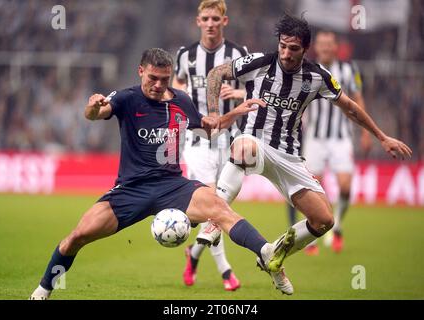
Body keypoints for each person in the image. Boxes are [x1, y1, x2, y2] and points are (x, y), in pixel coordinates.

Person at [29, 48, 294, 300]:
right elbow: (94, 115)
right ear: (140, 71)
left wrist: (234, 113)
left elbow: (208, 130)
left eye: (164, 79)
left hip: (173, 186)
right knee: (77, 237)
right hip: (131, 189)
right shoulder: (126, 98)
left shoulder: (181, 101)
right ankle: (43, 289)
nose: (158, 84)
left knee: (221, 209)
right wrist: (93, 106)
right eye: (153, 78)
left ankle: (267, 254)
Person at [198, 13, 412, 293]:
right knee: (243, 146)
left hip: (289, 155)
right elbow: (216, 74)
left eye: (294, 48)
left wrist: (381, 136)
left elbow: (349, 107)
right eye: (283, 46)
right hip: (255, 141)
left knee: (324, 220)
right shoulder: (259, 62)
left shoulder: (318, 77)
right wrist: (214, 113)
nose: (286, 54)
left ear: (305, 49)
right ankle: (215, 220)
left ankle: (274, 254)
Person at [172, 0, 247, 291]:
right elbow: (175, 85)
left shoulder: (238, 54)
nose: (211, 23)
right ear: (198, 21)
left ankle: (193, 253)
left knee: (218, 207)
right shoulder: (185, 55)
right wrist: (185, 91)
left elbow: (255, 88)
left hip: (230, 139)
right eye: (206, 18)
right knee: (214, 204)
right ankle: (226, 271)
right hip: (198, 139)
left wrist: (238, 91)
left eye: (216, 18)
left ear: (224, 21)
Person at [302, 30, 372, 255]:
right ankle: (311, 237)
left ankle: (338, 225)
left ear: (335, 47)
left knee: (345, 186)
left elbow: (358, 98)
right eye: (321, 44)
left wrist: (365, 132)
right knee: (313, 188)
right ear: (317, 47)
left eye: (329, 44)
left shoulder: (349, 70)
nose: (325, 48)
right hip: (314, 138)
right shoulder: (308, 69)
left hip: (341, 137)